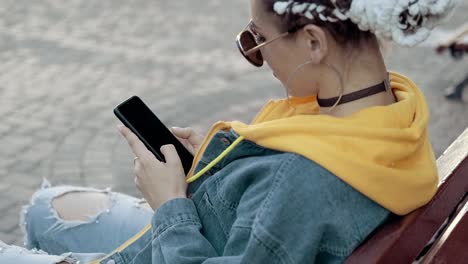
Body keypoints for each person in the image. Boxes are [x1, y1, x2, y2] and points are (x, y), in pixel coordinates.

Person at [0, 0, 457, 263]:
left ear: (314, 43)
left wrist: (171, 204)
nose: (258, 56)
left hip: (177, 244)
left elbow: (288, 198)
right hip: (216, 225)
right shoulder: (391, 115)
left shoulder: (305, 181)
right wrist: (217, 162)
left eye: (257, 41)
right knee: (45, 207)